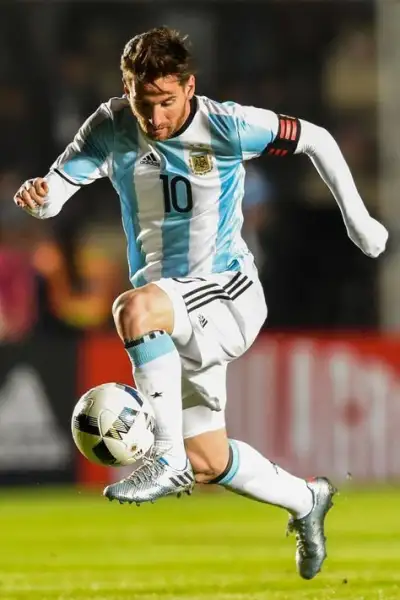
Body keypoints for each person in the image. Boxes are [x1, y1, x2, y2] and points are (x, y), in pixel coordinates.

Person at [14, 27, 388, 580]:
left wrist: (358, 221)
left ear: (189, 87)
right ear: (127, 90)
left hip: (227, 292)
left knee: (132, 310)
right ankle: (306, 499)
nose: (156, 117)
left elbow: (316, 138)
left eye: (167, 101)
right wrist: (40, 196)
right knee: (209, 460)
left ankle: (163, 455)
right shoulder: (111, 125)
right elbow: (55, 194)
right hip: (172, 315)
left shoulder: (227, 125)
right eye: (144, 102)